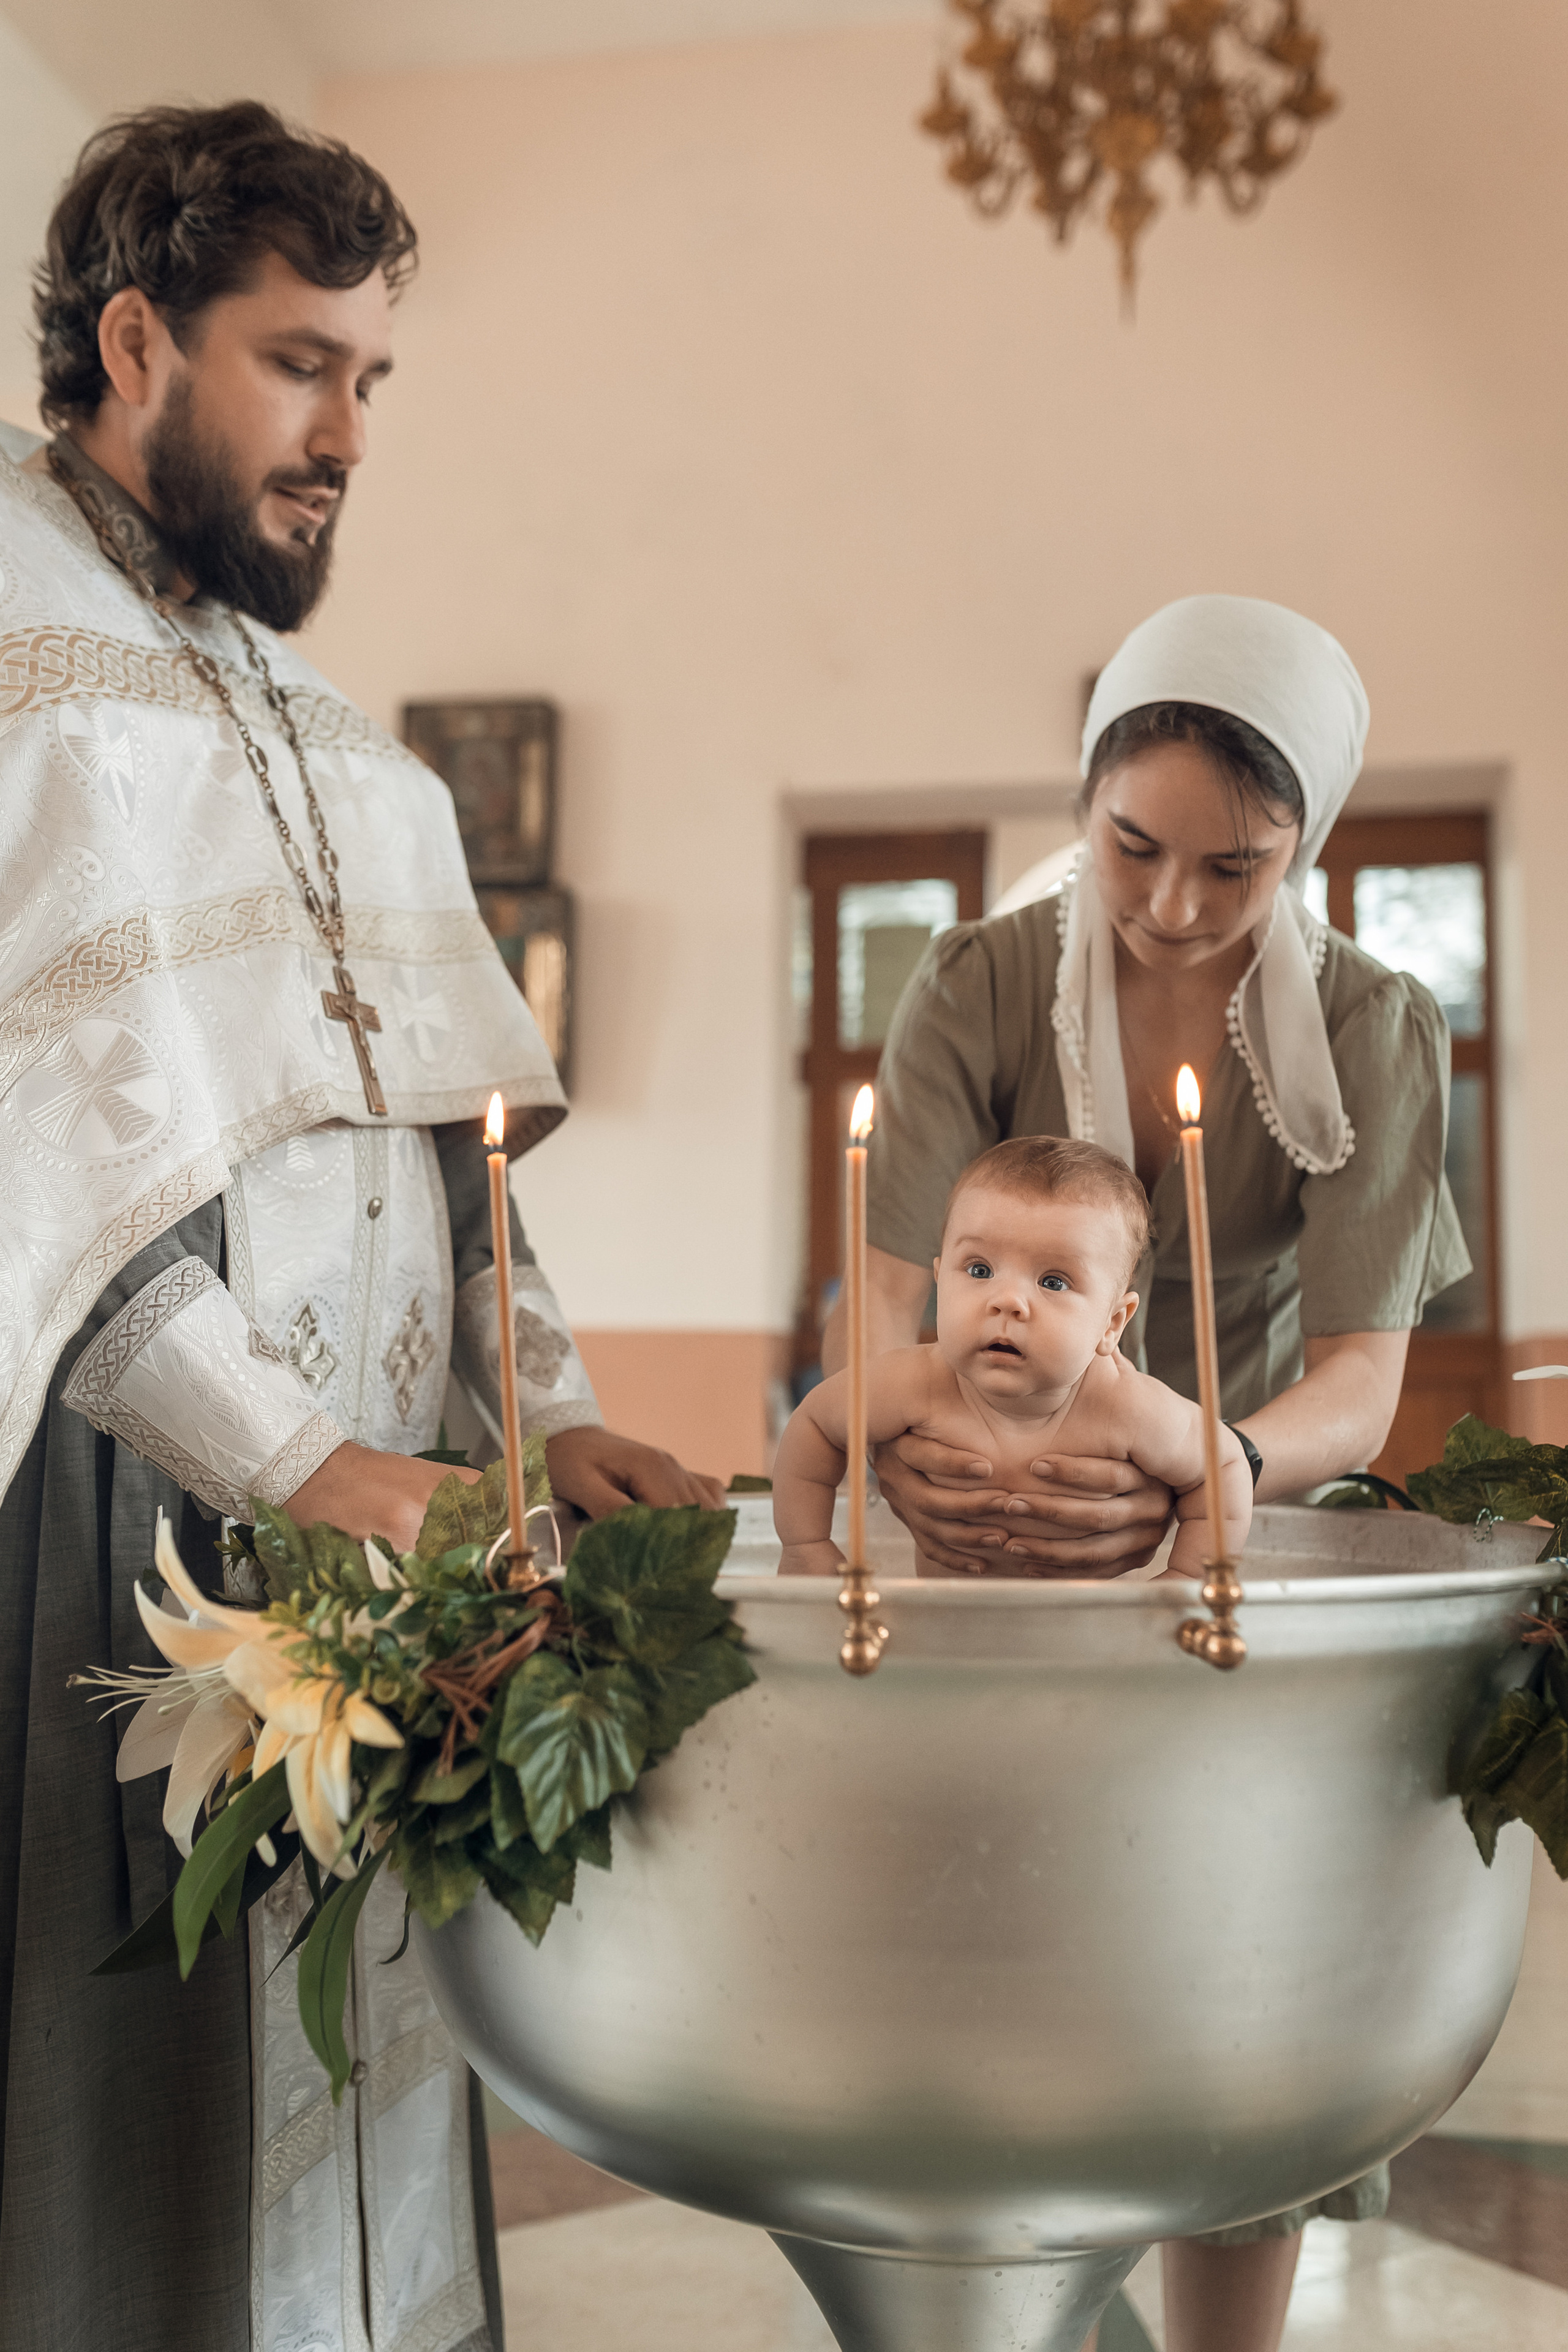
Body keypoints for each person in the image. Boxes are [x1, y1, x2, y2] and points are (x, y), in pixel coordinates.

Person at [0, 104, 725, 2352]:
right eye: (300, 365)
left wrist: (549, 1411)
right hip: (124, 1534)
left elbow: (445, 1130)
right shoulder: (20, 658)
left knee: (374, 2090)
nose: (345, 436)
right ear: (138, 339)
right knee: (135, 2146)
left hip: (388, 1525)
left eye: (369, 379)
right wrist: (303, 1466)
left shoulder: (321, 724)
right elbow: (36, 1150)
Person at [829, 593, 1470, 2351]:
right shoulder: (975, 984)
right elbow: (880, 1304)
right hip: (993, 1525)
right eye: (1131, 846)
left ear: (1303, 848)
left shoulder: (1373, 1026)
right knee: (1002, 1977)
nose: (1173, 904)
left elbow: (1360, 1381)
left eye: (1234, 868)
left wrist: (1207, 1466)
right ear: (1083, 798)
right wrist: (926, 1454)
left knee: (1233, 1988)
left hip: (1229, 1542)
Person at [775, 1137, 1250, 1577]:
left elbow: (1226, 1468)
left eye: (1053, 1282)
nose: (1007, 1301)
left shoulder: (1127, 1409)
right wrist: (806, 1544)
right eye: (979, 1270)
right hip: (944, 1622)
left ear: (1112, 1323)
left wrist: (1189, 1577)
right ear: (940, 1280)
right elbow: (816, 1425)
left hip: (1084, 1629)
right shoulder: (913, 1385)